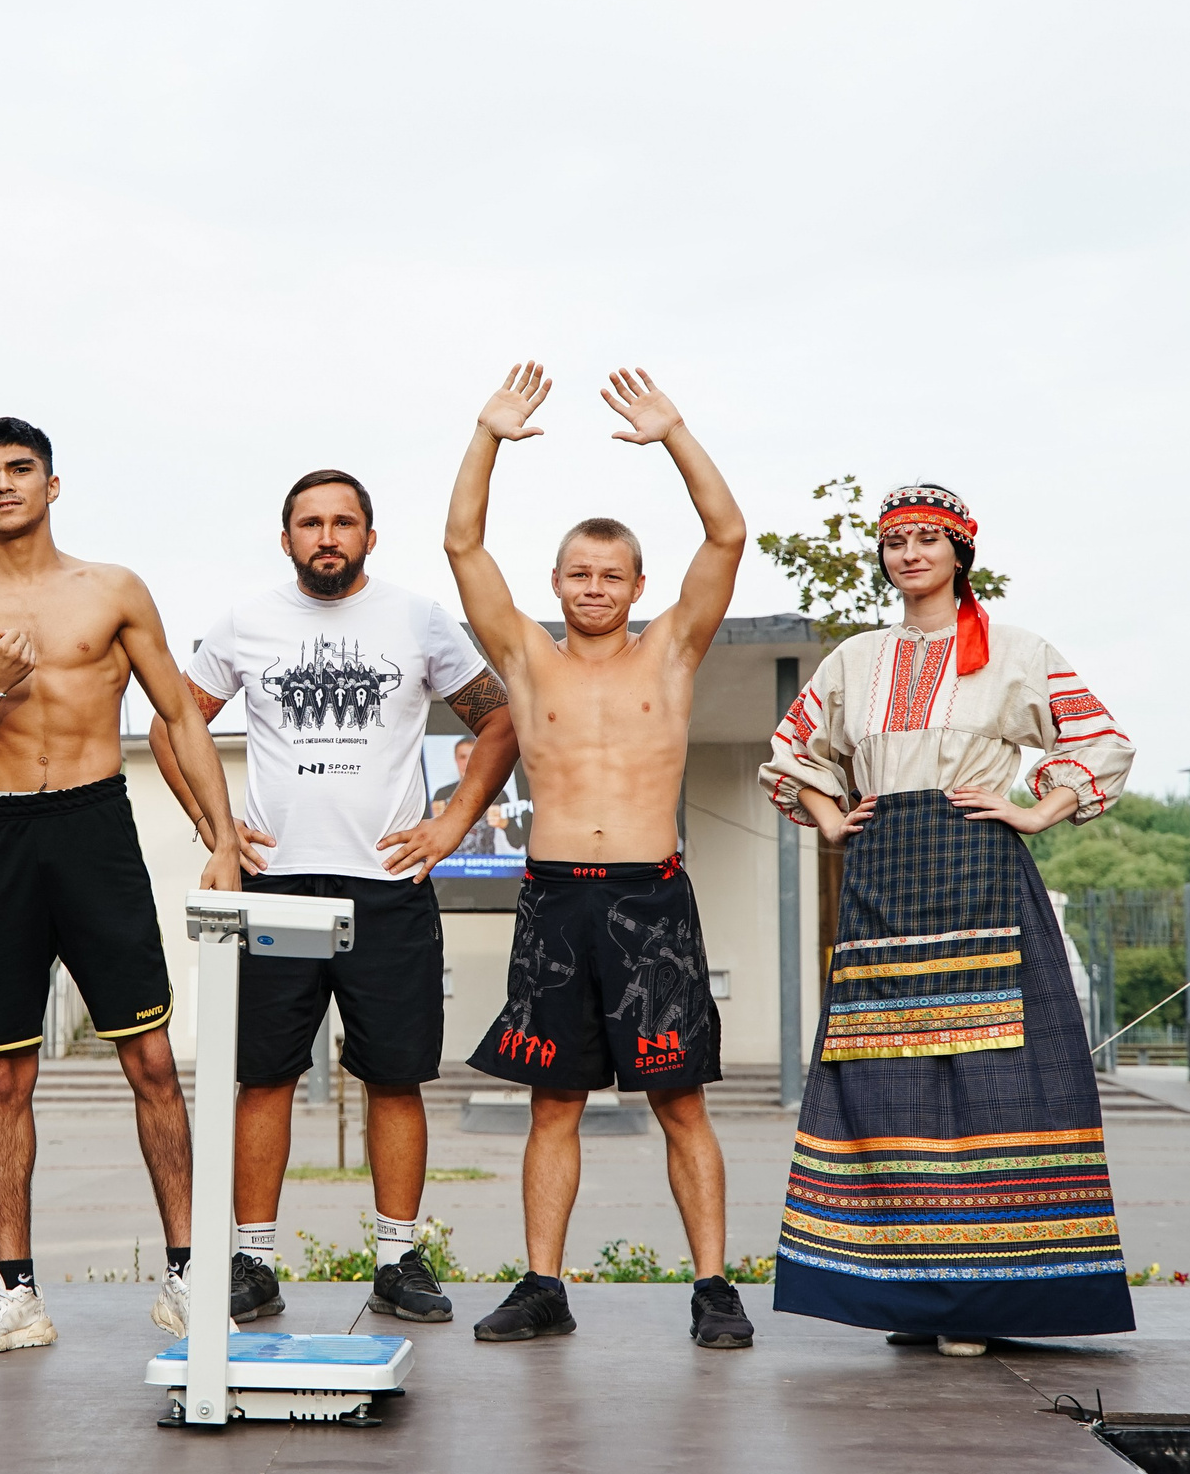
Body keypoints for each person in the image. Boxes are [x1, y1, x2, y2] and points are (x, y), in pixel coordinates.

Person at [760, 484, 1136, 1354]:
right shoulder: (854, 658)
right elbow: (792, 752)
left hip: (977, 862)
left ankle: (978, 1295)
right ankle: (908, 1290)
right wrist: (826, 815)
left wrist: (1037, 809)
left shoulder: (1014, 649)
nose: (911, 554)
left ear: (960, 550)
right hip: (884, 865)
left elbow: (1100, 740)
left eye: (929, 539)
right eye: (897, 541)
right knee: (885, 1074)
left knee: (989, 1072)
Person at [149, 469, 520, 1328]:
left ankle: (398, 1260)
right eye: (310, 523)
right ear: (286, 539)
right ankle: (253, 1261)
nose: (327, 535)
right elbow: (178, 721)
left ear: (369, 536)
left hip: (389, 887)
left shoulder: (418, 619)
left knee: (395, 1078)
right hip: (275, 887)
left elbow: (499, 719)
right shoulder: (248, 620)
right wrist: (220, 832)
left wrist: (453, 823)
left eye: (343, 522)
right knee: (264, 1077)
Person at [0, 417, 246, 1355]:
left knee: (148, 1058)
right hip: (1, 835)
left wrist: (219, 836)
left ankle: (187, 1275)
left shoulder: (114, 589)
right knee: (5, 1072)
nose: (5, 484)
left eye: (22, 469)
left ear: (54, 484)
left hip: (96, 827)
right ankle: (17, 1294)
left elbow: (179, 714)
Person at [444, 362, 756, 1351]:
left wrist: (674, 435)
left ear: (635, 586)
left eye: (609, 575)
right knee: (553, 1105)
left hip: (649, 904)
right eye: (577, 573)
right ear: (555, 582)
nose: (592, 587)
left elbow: (726, 536)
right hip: (552, 905)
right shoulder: (526, 659)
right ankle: (543, 1283)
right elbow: (461, 542)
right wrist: (487, 434)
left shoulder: (670, 651)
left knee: (679, 1103)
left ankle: (712, 1286)